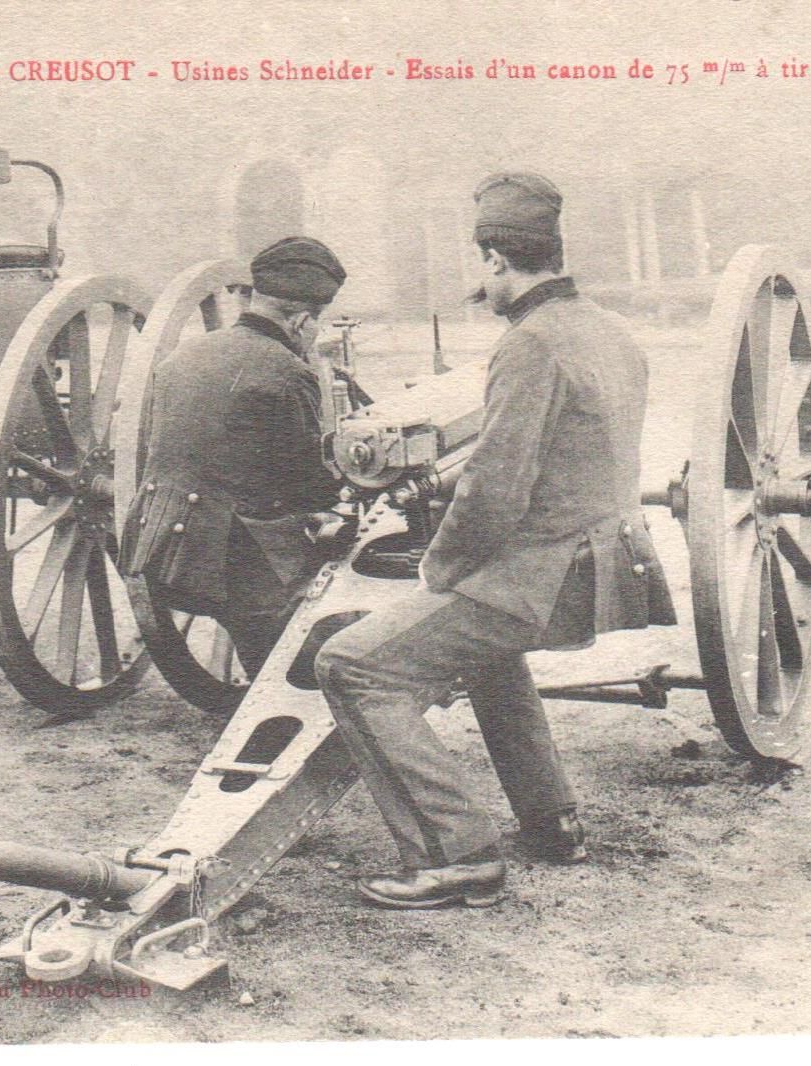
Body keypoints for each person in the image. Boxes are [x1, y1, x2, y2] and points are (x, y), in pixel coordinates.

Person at [313, 172, 676, 907]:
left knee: (352, 665)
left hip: (539, 577)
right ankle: (551, 821)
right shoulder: (608, 331)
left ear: (495, 260)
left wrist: (437, 569)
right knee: (482, 652)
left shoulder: (530, 344)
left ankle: (456, 856)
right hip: (602, 566)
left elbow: (496, 489)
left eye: (485, 275)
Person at [120, 237, 348, 677]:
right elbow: (310, 485)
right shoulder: (287, 371)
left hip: (159, 552)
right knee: (337, 612)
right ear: (302, 320)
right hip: (230, 572)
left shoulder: (183, 354)